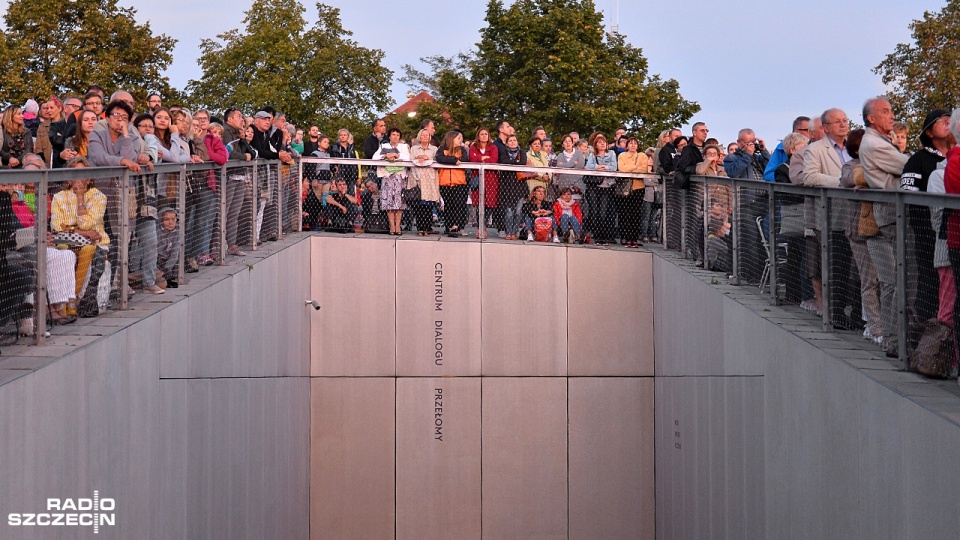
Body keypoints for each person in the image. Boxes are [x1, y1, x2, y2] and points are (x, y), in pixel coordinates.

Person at [860, 97, 909, 357]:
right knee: (900, 280)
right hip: (893, 213)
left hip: (893, 212)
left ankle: (895, 339)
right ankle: (894, 340)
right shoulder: (874, 144)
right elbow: (907, 167)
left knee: (896, 281)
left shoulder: (880, 141)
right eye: (885, 111)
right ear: (871, 118)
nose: (892, 116)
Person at [900, 109, 955, 324]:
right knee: (929, 282)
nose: (948, 124)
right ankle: (923, 334)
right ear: (929, 132)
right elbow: (908, 196)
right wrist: (925, 227)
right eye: (942, 121)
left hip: (951, 233)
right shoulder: (917, 160)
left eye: (951, 120)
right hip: (927, 233)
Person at [801, 108, 851, 321]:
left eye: (845, 120)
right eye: (837, 121)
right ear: (826, 127)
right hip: (831, 216)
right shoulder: (815, 149)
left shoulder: (855, 147)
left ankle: (857, 316)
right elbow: (809, 177)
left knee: (856, 269)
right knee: (836, 266)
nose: (843, 124)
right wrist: (843, 182)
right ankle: (836, 315)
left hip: (856, 214)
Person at [50, 159, 111, 317]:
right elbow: (57, 226)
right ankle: (64, 301)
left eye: (83, 174)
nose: (79, 179)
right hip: (66, 241)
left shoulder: (99, 197)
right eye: (75, 174)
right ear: (69, 178)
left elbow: (88, 223)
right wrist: (81, 231)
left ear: (90, 178)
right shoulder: (59, 197)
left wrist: (80, 199)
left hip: (94, 242)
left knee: (88, 249)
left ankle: (73, 298)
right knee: (63, 251)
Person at [840, 129, 883, 344]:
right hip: (859, 231)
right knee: (869, 280)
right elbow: (848, 179)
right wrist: (865, 176)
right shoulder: (850, 166)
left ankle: (884, 324)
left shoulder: (880, 164)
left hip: (882, 229)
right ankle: (874, 326)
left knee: (886, 280)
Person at [724, 128, 770, 280]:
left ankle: (766, 275)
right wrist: (747, 155)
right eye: (747, 142)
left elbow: (771, 170)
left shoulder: (758, 158)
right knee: (750, 239)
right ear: (739, 143)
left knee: (765, 240)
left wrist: (763, 151)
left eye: (753, 142)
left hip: (765, 202)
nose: (751, 145)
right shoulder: (732, 158)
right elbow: (733, 172)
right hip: (746, 204)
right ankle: (751, 275)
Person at [372, 127, 410, 235]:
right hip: (387, 176)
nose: (395, 137)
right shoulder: (384, 146)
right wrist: (385, 156)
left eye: (398, 135)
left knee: (399, 203)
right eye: (393, 134)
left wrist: (396, 155)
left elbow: (407, 157)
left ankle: (398, 226)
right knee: (389, 203)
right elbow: (375, 157)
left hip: (400, 177)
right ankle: (391, 226)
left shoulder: (403, 147)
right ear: (389, 136)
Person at [585, 134, 618, 244]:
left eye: (604, 142)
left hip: (607, 186)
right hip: (595, 186)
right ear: (595, 145)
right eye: (599, 142)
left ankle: (604, 235)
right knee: (595, 211)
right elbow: (589, 166)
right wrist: (598, 167)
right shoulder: (592, 155)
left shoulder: (612, 153)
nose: (602, 144)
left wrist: (604, 167)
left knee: (604, 212)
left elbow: (614, 167)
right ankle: (597, 235)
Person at [435, 131, 469, 237]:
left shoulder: (462, 149)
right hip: (445, 182)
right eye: (459, 138)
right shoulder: (442, 149)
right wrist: (453, 160)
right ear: (452, 138)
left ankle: (456, 225)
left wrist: (452, 160)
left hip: (460, 181)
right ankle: (449, 226)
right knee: (449, 204)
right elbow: (440, 158)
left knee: (459, 204)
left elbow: (465, 159)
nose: (461, 140)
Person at [617, 137, 649, 248]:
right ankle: (626, 237)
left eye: (635, 143)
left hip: (638, 187)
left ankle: (634, 238)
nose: (633, 145)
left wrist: (630, 168)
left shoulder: (642, 156)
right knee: (626, 213)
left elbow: (644, 169)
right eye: (630, 143)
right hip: (626, 188)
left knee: (636, 213)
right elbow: (621, 168)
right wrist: (635, 167)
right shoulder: (622, 156)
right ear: (627, 146)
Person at [469, 128, 500, 236]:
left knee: (489, 204)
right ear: (478, 136)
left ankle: (485, 227)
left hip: (491, 178)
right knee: (478, 204)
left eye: (486, 134)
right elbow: (472, 160)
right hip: (477, 177)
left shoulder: (493, 147)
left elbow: (494, 160)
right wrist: (484, 157)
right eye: (482, 134)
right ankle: (480, 228)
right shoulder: (473, 147)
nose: (484, 136)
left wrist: (480, 158)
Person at [409, 129, 440, 236]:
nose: (425, 137)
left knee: (428, 205)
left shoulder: (434, 149)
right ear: (419, 137)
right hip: (418, 178)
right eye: (422, 135)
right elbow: (410, 161)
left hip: (430, 179)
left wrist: (427, 158)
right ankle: (420, 228)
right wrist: (418, 158)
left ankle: (427, 227)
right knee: (419, 205)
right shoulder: (413, 149)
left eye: (427, 135)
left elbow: (437, 161)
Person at [498, 134, 529, 240]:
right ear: (506, 143)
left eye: (514, 140)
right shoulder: (503, 152)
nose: (512, 142)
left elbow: (523, 163)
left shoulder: (522, 152)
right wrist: (515, 162)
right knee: (509, 212)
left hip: (519, 186)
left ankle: (515, 232)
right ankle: (508, 232)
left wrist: (513, 163)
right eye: (510, 140)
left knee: (518, 211)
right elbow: (504, 162)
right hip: (507, 186)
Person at [155, 208, 180, 289]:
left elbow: (174, 254)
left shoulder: (178, 232)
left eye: (173, 219)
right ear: (161, 221)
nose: (170, 222)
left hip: (168, 265)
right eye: (166, 219)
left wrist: (165, 270)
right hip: (155, 264)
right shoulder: (155, 233)